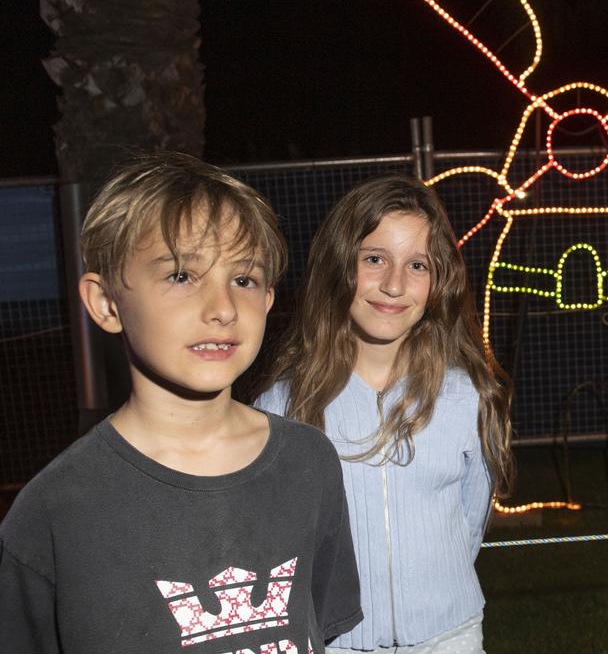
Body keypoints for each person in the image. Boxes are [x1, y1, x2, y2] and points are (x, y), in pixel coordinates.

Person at [0, 152, 363, 654]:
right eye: (180, 276)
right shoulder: (54, 512)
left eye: (244, 279)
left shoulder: (309, 462)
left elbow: (314, 624)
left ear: (269, 300)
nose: (222, 308)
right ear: (106, 303)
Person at [256, 174, 514, 654]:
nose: (394, 285)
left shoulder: (466, 396)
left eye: (417, 265)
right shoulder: (283, 407)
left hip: (450, 636)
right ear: (339, 266)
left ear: (439, 282)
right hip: (334, 642)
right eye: (374, 259)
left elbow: (470, 519)